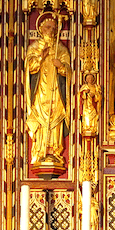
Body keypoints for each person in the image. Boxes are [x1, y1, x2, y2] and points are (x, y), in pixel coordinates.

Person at [25, 15, 72, 168]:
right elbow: (29, 68)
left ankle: (54, 151)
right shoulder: (34, 48)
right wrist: (40, 57)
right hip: (40, 91)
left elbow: (69, 72)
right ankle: (40, 151)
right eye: (47, 27)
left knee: (55, 118)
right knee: (41, 119)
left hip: (56, 90)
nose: (50, 31)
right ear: (40, 29)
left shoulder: (61, 49)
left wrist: (61, 66)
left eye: (53, 28)